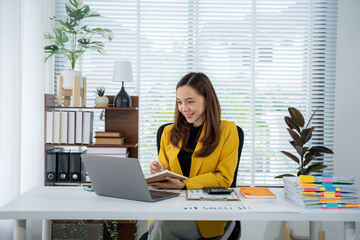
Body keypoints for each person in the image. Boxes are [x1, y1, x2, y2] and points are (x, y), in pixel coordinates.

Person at [147, 72, 239, 240]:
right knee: (160, 224)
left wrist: (184, 185)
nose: (184, 108)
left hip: (206, 212)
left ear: (207, 99)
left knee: (161, 227)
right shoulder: (168, 132)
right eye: (179, 102)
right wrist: (157, 173)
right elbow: (165, 172)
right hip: (171, 207)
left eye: (190, 101)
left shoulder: (227, 130)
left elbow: (224, 178)